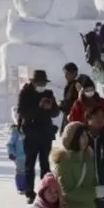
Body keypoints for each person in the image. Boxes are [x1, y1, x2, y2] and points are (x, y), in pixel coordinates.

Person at [17, 70, 61, 201]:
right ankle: (29, 192)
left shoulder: (48, 94)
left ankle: (45, 190)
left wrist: (51, 107)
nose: (42, 86)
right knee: (29, 164)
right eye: (40, 83)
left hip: (45, 133)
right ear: (34, 82)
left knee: (45, 164)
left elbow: (55, 113)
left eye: (44, 83)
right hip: (30, 133)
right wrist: (39, 107)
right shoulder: (26, 93)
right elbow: (22, 112)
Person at [7, 123, 28, 196]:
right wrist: (11, 153)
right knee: (20, 171)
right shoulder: (16, 132)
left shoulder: (31, 129)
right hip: (19, 156)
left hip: (29, 155)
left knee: (28, 171)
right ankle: (20, 187)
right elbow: (10, 144)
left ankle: (27, 186)